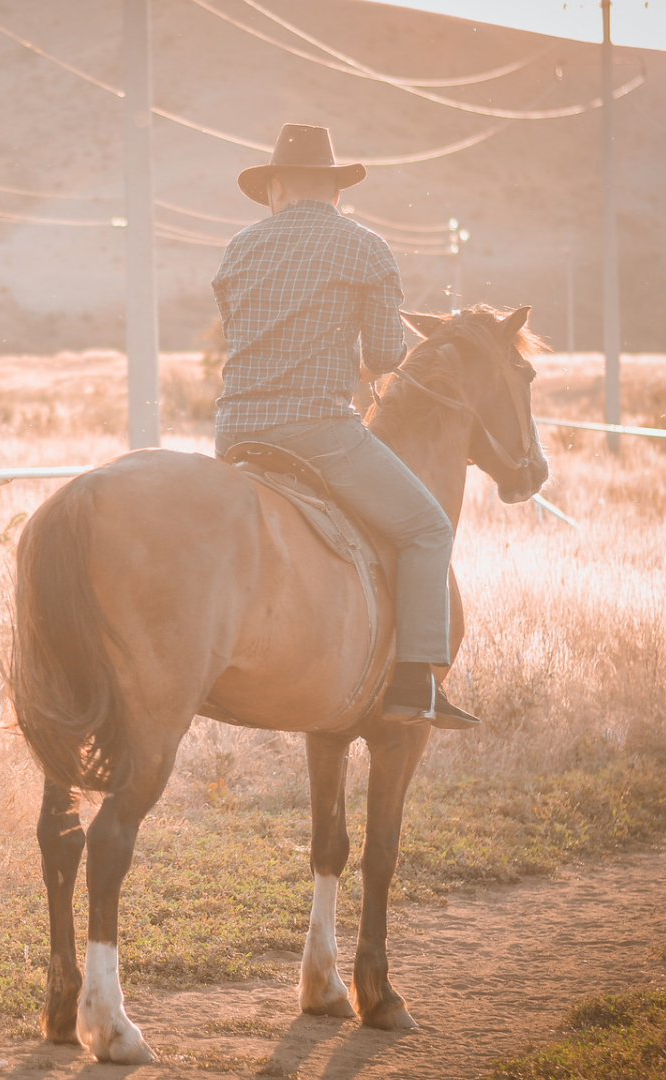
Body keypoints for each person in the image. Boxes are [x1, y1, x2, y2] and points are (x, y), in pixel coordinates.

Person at [210, 122, 476, 728]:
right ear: (334, 190)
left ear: (275, 187)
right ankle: (414, 682)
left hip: (236, 432)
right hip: (318, 432)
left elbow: (243, 330)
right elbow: (386, 356)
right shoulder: (364, 247)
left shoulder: (240, 248)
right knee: (427, 529)